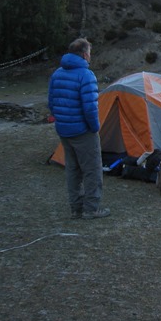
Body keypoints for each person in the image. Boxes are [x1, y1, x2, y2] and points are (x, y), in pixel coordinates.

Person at [48, 38, 109, 220]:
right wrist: (94, 128)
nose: (90, 56)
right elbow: (90, 108)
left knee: (73, 169)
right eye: (89, 52)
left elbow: (51, 103)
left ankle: (76, 209)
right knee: (92, 170)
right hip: (83, 131)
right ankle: (91, 209)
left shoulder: (57, 73)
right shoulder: (86, 75)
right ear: (84, 54)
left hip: (64, 131)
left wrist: (62, 119)